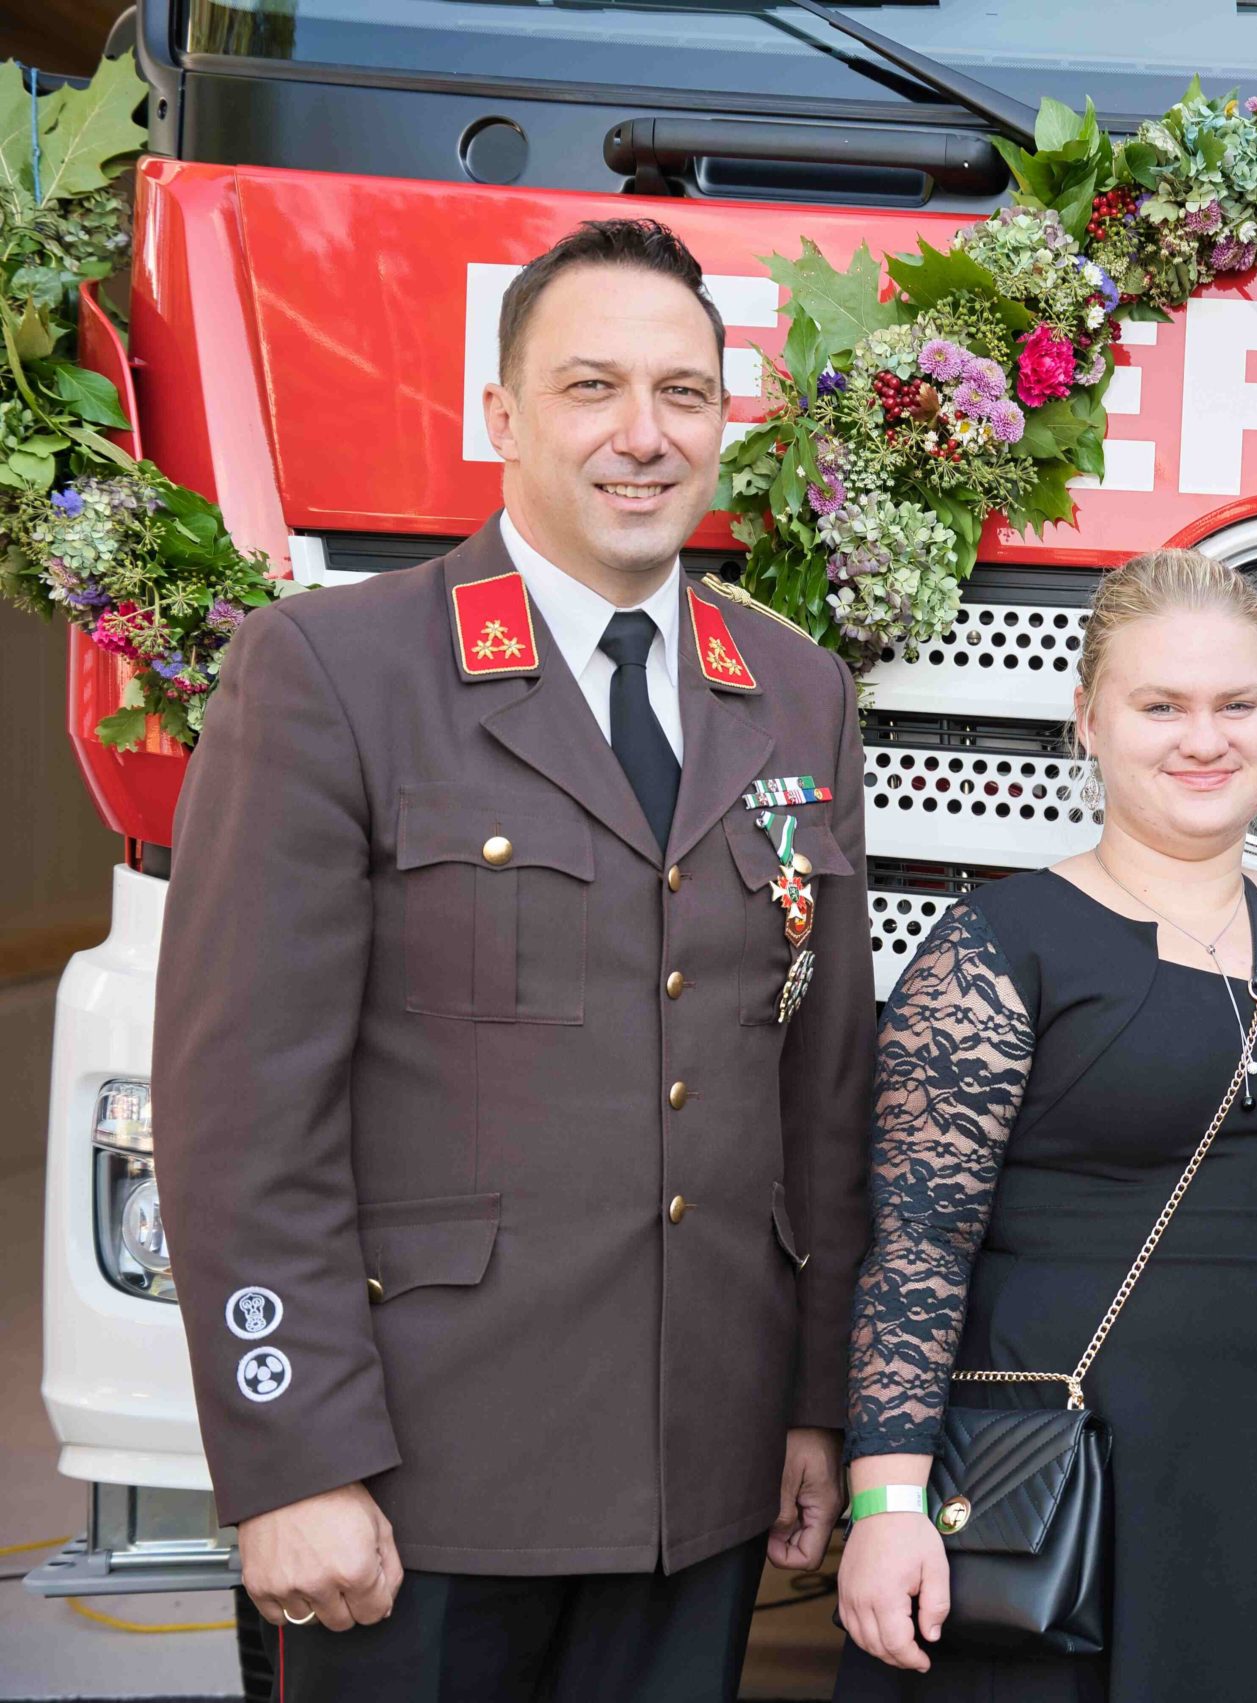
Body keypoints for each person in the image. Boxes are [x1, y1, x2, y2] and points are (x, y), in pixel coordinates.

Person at [153, 218, 872, 1701]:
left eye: (684, 393)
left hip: (699, 1469)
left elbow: (818, 1088)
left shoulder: (796, 693)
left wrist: (815, 1402)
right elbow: (244, 1107)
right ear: (501, 414)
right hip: (423, 1479)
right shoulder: (337, 671)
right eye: (590, 386)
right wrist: (292, 1454)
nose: (642, 435)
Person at [831, 547, 1257, 1703]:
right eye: (1159, 705)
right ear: (1088, 719)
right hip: (1075, 1492)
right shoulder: (996, 945)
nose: (1202, 739)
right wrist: (887, 1498)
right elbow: (917, 1245)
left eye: (1237, 704)